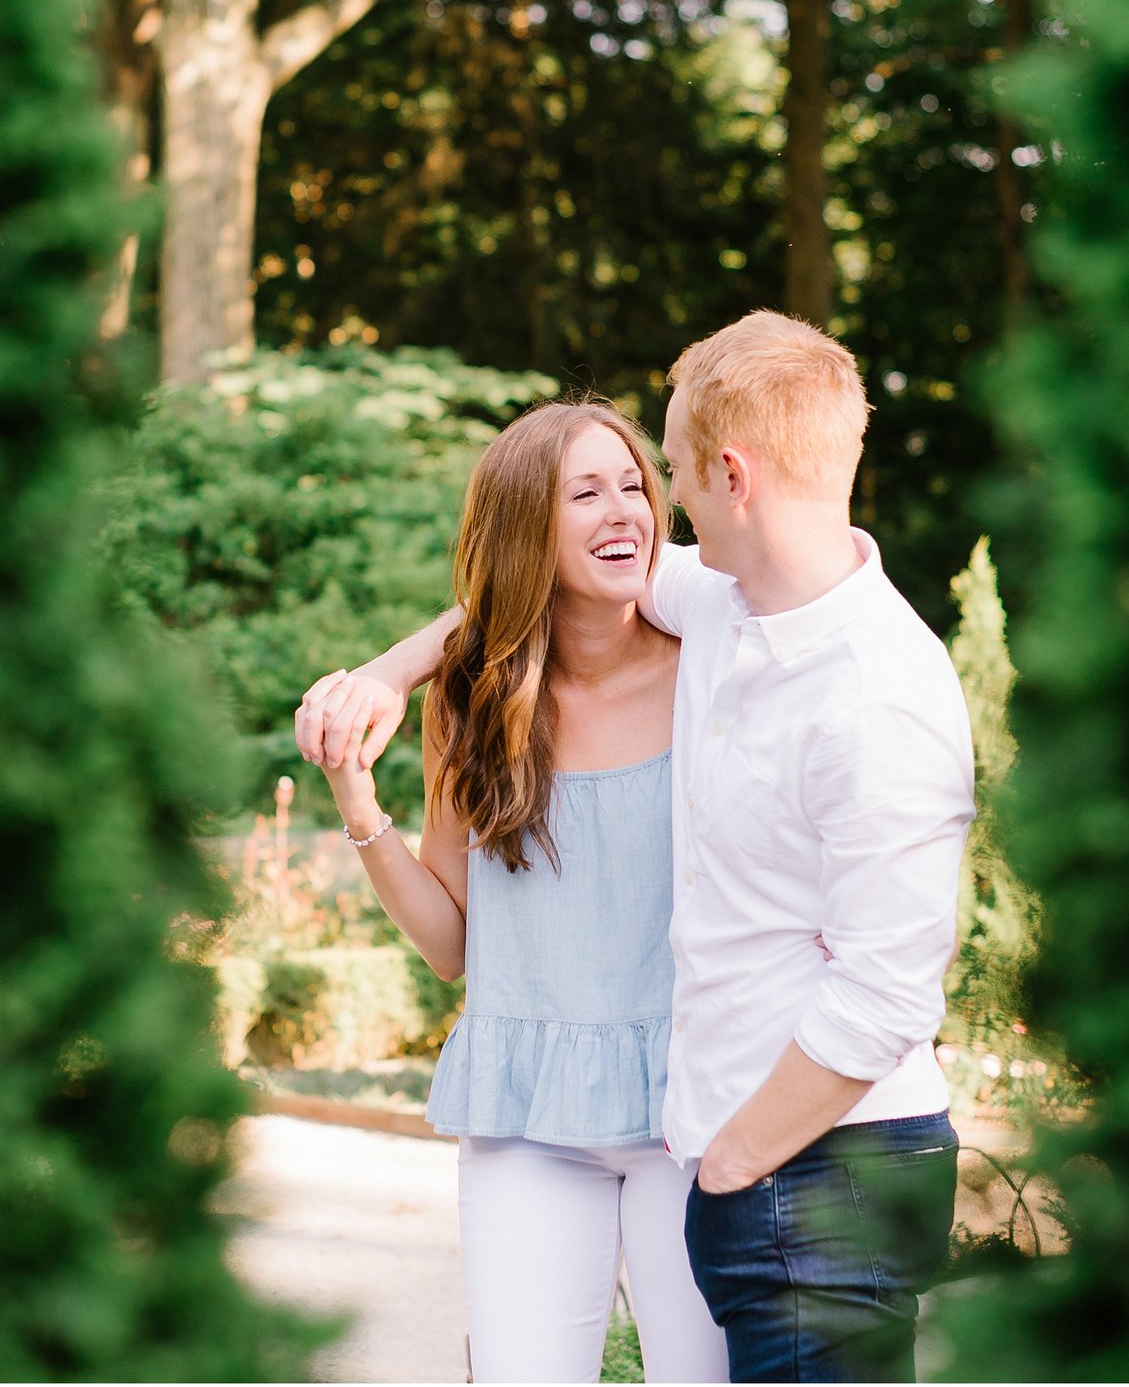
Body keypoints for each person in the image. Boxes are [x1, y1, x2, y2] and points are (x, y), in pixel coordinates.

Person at [302, 311, 976, 1383]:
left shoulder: (794, 658)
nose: (642, 507)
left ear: (725, 476)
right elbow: (505, 607)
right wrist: (384, 687)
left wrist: (735, 1162)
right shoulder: (707, 610)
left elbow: (888, 988)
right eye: (598, 488)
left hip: (719, 1122)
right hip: (576, 1117)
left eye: (652, 474)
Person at [292, 399, 730, 1384]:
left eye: (632, 486)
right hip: (528, 1123)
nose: (624, 511)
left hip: (692, 1114)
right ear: (527, 527)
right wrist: (357, 801)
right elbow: (452, 944)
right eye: (585, 492)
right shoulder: (472, 702)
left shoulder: (708, 662)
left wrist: (388, 664)